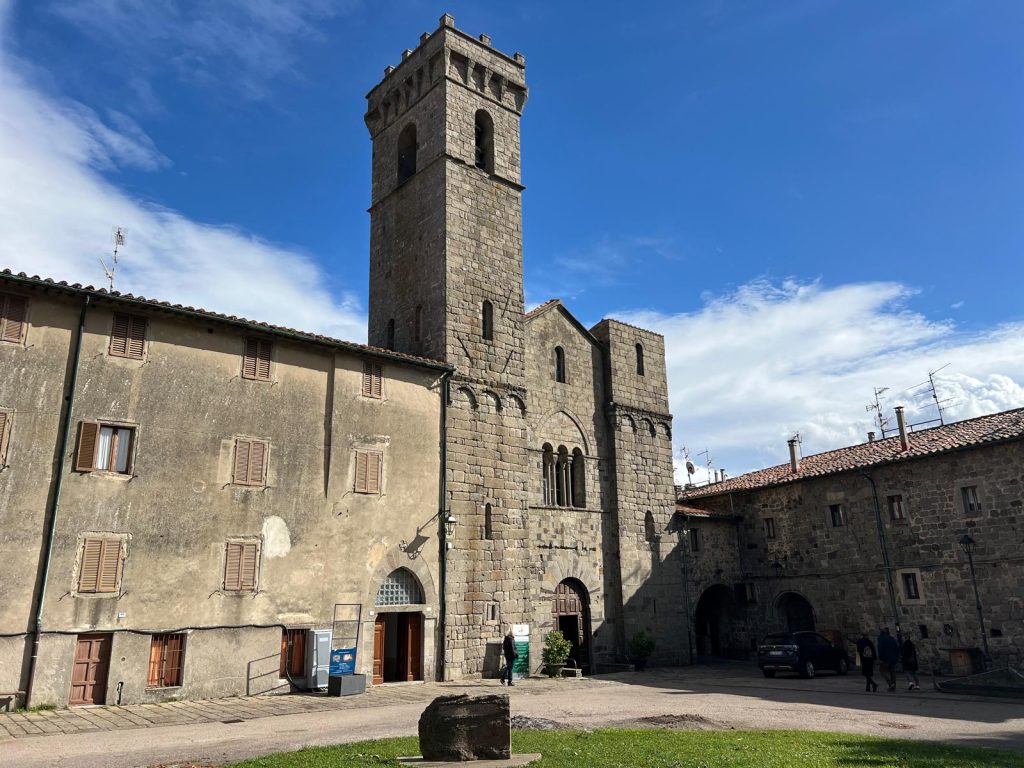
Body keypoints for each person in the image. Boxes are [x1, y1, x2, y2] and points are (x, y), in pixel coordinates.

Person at [878, 627, 900, 691]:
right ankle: (894, 686)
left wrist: (881, 657)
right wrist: (896, 658)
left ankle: (890, 683)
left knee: (882, 671)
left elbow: (880, 649)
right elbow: (896, 648)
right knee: (892, 672)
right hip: (893, 658)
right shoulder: (891, 638)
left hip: (885, 658)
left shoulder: (881, 638)